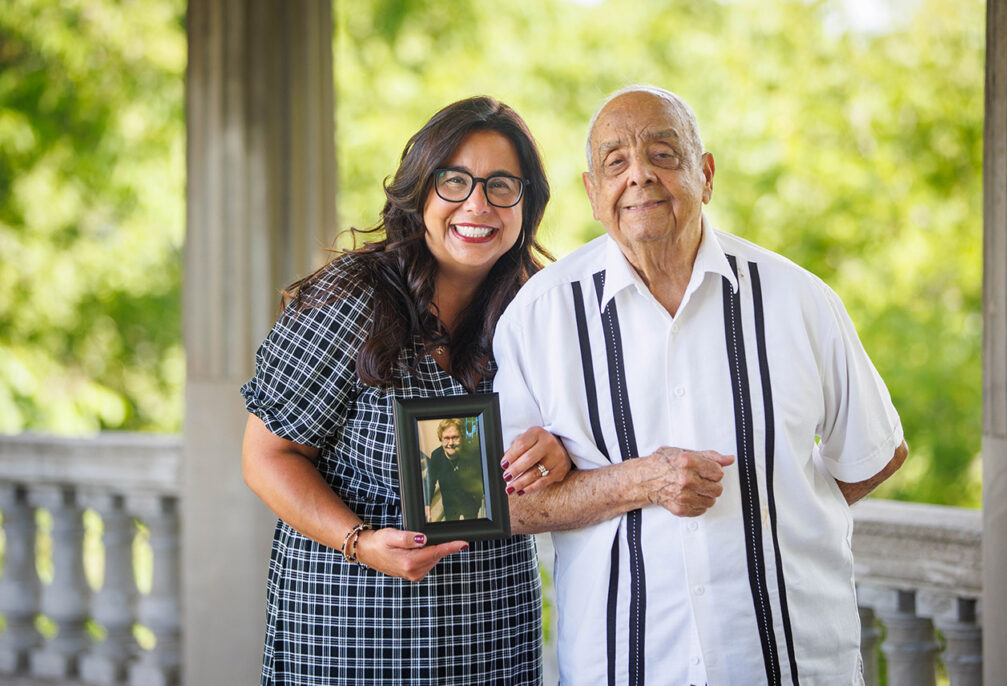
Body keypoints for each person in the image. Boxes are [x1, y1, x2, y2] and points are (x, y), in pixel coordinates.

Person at [494, 85, 909, 686]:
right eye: (615, 162)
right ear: (592, 193)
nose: (639, 176)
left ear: (705, 174)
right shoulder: (540, 316)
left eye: (663, 155)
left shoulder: (799, 300)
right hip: (621, 668)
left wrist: (775, 509)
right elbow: (500, 502)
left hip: (789, 663)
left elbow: (876, 451)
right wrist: (640, 480)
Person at [240, 96, 570, 685]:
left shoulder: (541, 311)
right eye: (455, 181)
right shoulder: (354, 298)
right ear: (420, 192)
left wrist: (555, 454)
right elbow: (267, 456)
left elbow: (579, 448)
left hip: (489, 635)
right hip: (351, 633)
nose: (477, 204)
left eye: (501, 185)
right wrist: (360, 541)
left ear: (527, 204)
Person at [425, 418, 485, 521]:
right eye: (446, 438)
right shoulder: (436, 456)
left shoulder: (472, 453)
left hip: (470, 503)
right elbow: (430, 483)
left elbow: (483, 478)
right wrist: (427, 506)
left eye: (455, 437)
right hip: (450, 504)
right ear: (441, 439)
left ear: (462, 437)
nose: (451, 442)